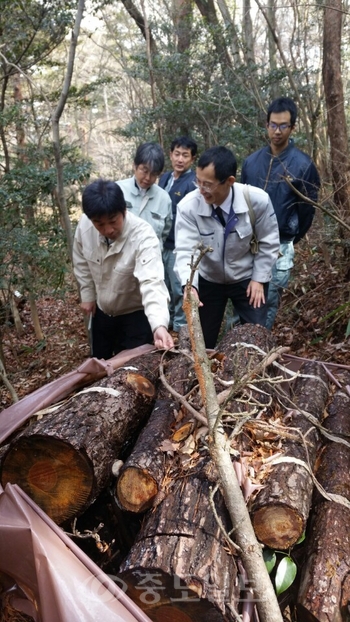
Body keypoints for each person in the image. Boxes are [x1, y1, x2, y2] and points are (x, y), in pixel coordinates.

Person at [174, 146, 280, 349]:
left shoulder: (257, 201)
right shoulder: (188, 207)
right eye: (198, 182)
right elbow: (186, 250)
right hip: (208, 278)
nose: (201, 190)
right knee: (202, 342)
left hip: (246, 276)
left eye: (208, 184)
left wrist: (259, 278)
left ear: (229, 181)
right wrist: (190, 285)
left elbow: (269, 241)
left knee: (255, 336)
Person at [241, 96, 320, 329]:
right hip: (248, 243)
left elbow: (307, 211)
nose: (277, 131)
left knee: (268, 301)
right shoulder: (251, 162)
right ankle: (234, 349)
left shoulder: (303, 165)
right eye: (273, 125)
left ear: (292, 127)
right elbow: (241, 202)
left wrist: (291, 236)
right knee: (243, 298)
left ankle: (259, 350)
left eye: (283, 125)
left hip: (280, 244)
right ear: (266, 125)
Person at [73, 179, 174, 359]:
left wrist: (159, 325)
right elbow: (81, 262)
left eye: (113, 221)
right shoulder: (85, 226)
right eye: (99, 224)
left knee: (131, 370)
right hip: (102, 313)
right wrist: (88, 295)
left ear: (124, 211)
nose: (108, 229)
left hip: (135, 316)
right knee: (99, 363)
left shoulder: (144, 236)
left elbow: (153, 282)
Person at [159, 136, 197, 335]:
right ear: (170, 155)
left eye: (185, 155)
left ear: (192, 159)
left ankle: (182, 328)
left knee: (177, 287)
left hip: (179, 245)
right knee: (163, 285)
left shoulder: (192, 182)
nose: (180, 159)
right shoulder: (164, 178)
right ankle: (168, 323)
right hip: (161, 243)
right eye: (177, 154)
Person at [117, 142, 172, 250]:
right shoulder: (118, 190)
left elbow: (164, 233)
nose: (148, 178)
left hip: (151, 259)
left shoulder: (164, 199)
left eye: (153, 174)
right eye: (144, 171)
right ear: (134, 165)